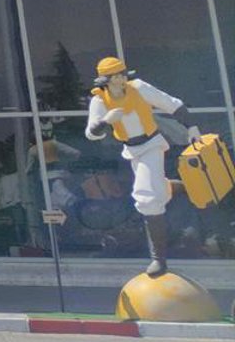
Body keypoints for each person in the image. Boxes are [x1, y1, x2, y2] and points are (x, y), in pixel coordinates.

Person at [84, 56, 200, 277]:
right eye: (114, 77)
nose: (120, 80)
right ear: (105, 81)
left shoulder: (139, 88)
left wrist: (192, 127)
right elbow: (91, 134)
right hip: (132, 150)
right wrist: (106, 121)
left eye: (122, 75)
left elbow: (172, 104)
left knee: (146, 197)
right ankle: (181, 187)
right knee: (157, 191)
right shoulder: (99, 101)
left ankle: (158, 259)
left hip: (152, 145)